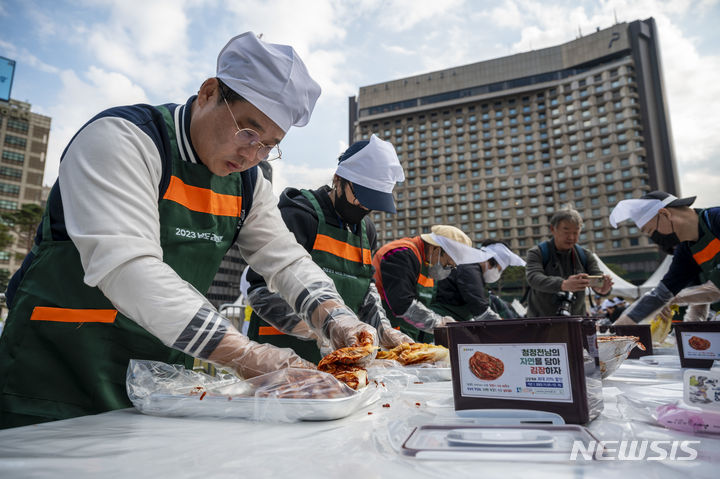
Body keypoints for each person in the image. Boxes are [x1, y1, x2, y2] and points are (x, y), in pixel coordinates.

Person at [0, 33, 377, 428]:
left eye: (269, 145)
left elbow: (284, 259)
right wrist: (247, 356)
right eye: (248, 132)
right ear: (209, 92)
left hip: (160, 376)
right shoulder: (123, 140)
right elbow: (128, 267)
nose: (252, 154)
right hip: (56, 369)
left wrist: (336, 318)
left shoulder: (248, 184)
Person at [244, 135, 412, 363]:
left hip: (342, 354)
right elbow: (260, 292)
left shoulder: (366, 232)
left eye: (372, 202)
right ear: (338, 179)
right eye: (360, 197)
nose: (364, 207)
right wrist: (322, 328)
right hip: (282, 352)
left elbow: (367, 290)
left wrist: (383, 329)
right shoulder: (301, 214)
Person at [608, 190, 720, 325]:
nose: (654, 239)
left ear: (664, 214)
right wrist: (616, 330)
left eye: (651, 232)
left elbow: (715, 289)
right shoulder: (687, 250)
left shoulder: (715, 219)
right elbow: (661, 295)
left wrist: (676, 298)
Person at [372, 224, 492, 342]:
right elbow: (402, 304)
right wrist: (440, 323)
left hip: (406, 334)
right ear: (437, 249)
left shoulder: (428, 266)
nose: (447, 269)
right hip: (382, 332)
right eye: (448, 264)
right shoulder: (402, 253)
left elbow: (424, 305)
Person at [525, 208, 613, 317]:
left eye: (576, 233)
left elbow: (597, 276)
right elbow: (533, 278)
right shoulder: (537, 253)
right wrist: (564, 284)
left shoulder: (585, 255)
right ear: (553, 229)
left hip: (576, 322)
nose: (571, 237)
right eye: (566, 232)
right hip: (540, 323)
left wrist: (603, 288)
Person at [431, 241, 525, 321]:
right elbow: (480, 308)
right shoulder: (469, 267)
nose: (498, 273)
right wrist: (504, 326)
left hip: (451, 318)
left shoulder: (471, 267)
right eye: (499, 269)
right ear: (490, 261)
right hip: (441, 318)